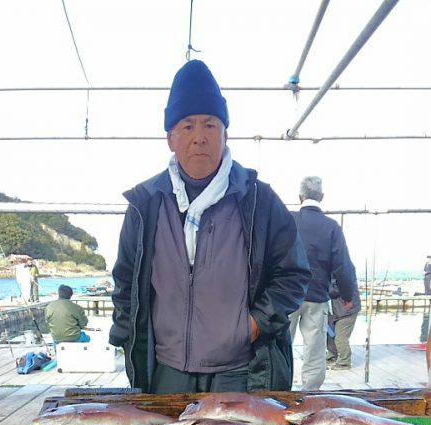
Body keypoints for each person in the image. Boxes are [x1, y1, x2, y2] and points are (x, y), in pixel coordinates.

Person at [109, 59, 310, 394]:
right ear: (170, 138)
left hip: (240, 373)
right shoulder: (146, 204)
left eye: (210, 125)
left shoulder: (260, 200)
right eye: (187, 126)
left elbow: (294, 273)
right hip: (166, 371)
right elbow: (126, 280)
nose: (199, 138)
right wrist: (128, 335)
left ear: (225, 134)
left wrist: (254, 324)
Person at [289, 176, 356, 391]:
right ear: (322, 197)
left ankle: (280, 390)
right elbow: (343, 266)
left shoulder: (288, 220)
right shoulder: (331, 227)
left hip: (286, 296)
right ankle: (309, 394)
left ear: (300, 197)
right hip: (316, 296)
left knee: (280, 346)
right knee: (315, 349)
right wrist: (347, 296)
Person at [327, 276, 361, 370]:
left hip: (347, 312)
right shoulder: (329, 271)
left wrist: (319, 285)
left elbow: (333, 290)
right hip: (334, 312)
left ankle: (344, 362)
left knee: (340, 338)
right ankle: (332, 356)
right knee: (330, 335)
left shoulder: (341, 272)